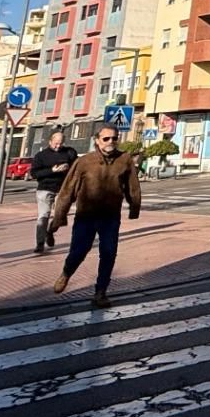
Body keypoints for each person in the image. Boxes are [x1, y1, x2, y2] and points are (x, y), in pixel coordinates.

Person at [46, 125, 140, 310]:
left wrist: (134, 207)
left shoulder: (125, 160)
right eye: (106, 139)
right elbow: (67, 190)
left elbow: (133, 186)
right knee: (79, 251)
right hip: (86, 215)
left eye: (114, 138)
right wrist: (59, 217)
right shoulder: (85, 162)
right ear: (97, 140)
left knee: (108, 253)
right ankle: (66, 273)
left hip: (110, 217)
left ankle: (100, 293)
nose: (110, 142)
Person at [27, 126, 79, 255]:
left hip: (63, 189)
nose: (58, 146)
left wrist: (69, 169)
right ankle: (39, 244)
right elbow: (34, 173)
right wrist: (52, 170)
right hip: (45, 189)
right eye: (56, 143)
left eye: (61, 143)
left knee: (59, 216)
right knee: (43, 216)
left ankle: (50, 232)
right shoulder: (41, 156)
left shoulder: (70, 152)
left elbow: (77, 168)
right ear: (50, 142)